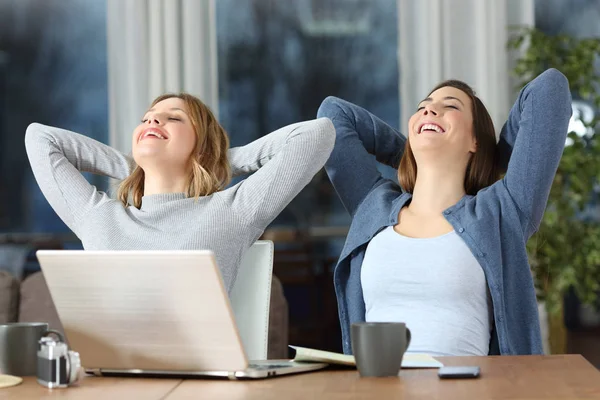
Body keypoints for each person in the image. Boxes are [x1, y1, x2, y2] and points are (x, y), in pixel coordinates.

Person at [317, 69, 572, 356]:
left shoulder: (500, 211)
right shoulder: (373, 206)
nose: (429, 109)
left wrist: (493, 156)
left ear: (475, 141)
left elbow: (550, 89)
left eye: (450, 105)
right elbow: (333, 113)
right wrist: (411, 149)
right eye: (422, 107)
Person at [25, 93, 335, 291]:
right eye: (146, 119)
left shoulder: (229, 212)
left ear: (202, 146)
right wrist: (138, 168)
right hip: (108, 379)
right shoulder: (99, 217)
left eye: (173, 118)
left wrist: (216, 162)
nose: (153, 119)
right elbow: (39, 139)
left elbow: (317, 135)